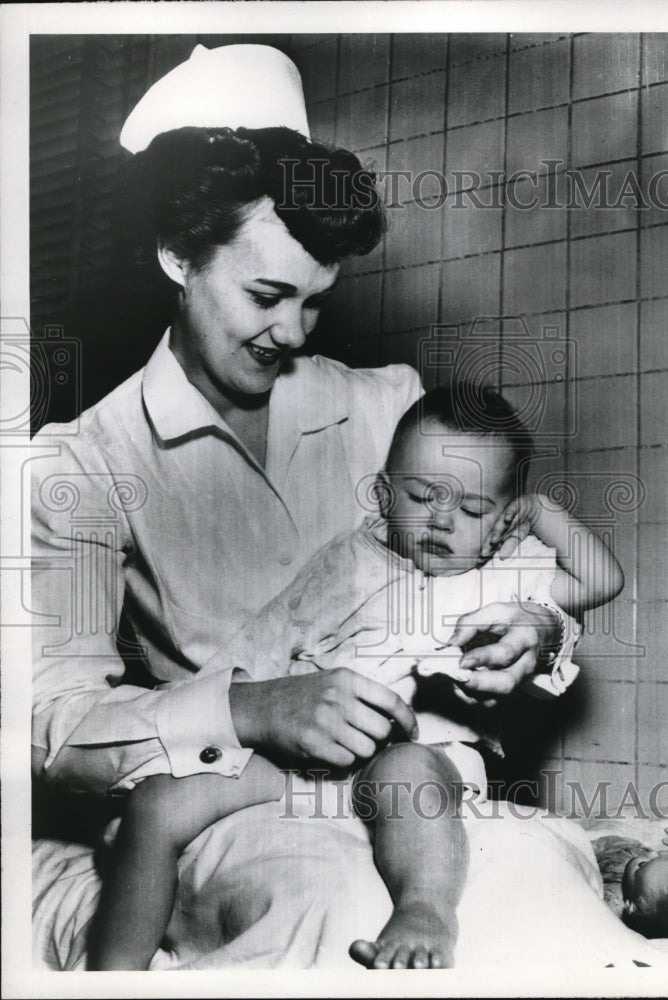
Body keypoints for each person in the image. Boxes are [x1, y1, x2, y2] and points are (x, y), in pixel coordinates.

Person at [31, 44, 572, 968]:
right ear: (176, 253)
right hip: (232, 798)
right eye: (267, 295)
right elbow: (54, 726)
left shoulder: (386, 406)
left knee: (535, 896)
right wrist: (247, 709)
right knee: (330, 911)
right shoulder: (84, 463)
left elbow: (508, 551)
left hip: (410, 779)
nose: (291, 333)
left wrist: (536, 634)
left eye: (316, 303)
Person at [86, 385, 624, 970]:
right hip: (304, 769)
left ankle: (424, 912)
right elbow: (262, 648)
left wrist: (542, 511)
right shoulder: (347, 561)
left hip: (422, 756)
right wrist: (197, 737)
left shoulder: (506, 573)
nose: (443, 521)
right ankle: (113, 972)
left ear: (502, 517)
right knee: (158, 804)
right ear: (386, 491)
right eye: (422, 497)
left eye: (472, 509)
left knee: (406, 776)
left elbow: (602, 580)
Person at [593, 836, 668, 939]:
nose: (653, 854)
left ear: (631, 906)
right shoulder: (652, 873)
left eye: (642, 864)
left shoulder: (615, 901)